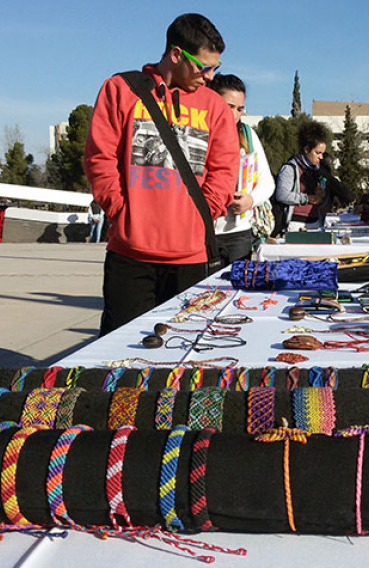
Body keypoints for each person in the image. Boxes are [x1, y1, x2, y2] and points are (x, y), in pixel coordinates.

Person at [85, 13, 238, 336]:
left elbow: (224, 170)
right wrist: (122, 212)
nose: (210, 77)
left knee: (187, 358)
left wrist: (201, 216)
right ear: (176, 54)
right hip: (131, 257)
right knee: (119, 354)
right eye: (204, 67)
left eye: (216, 69)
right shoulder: (121, 90)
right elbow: (100, 158)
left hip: (192, 257)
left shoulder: (215, 108)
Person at [207, 74, 275, 264]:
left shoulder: (247, 134)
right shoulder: (197, 132)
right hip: (202, 233)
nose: (234, 114)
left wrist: (250, 200)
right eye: (229, 106)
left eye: (239, 109)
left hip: (238, 234)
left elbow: (267, 182)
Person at [272, 121, 333, 233]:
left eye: (322, 153)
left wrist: (322, 195)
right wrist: (307, 198)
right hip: (295, 224)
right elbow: (282, 195)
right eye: (318, 153)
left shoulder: (318, 170)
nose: (321, 157)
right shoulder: (290, 169)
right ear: (306, 149)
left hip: (316, 223)